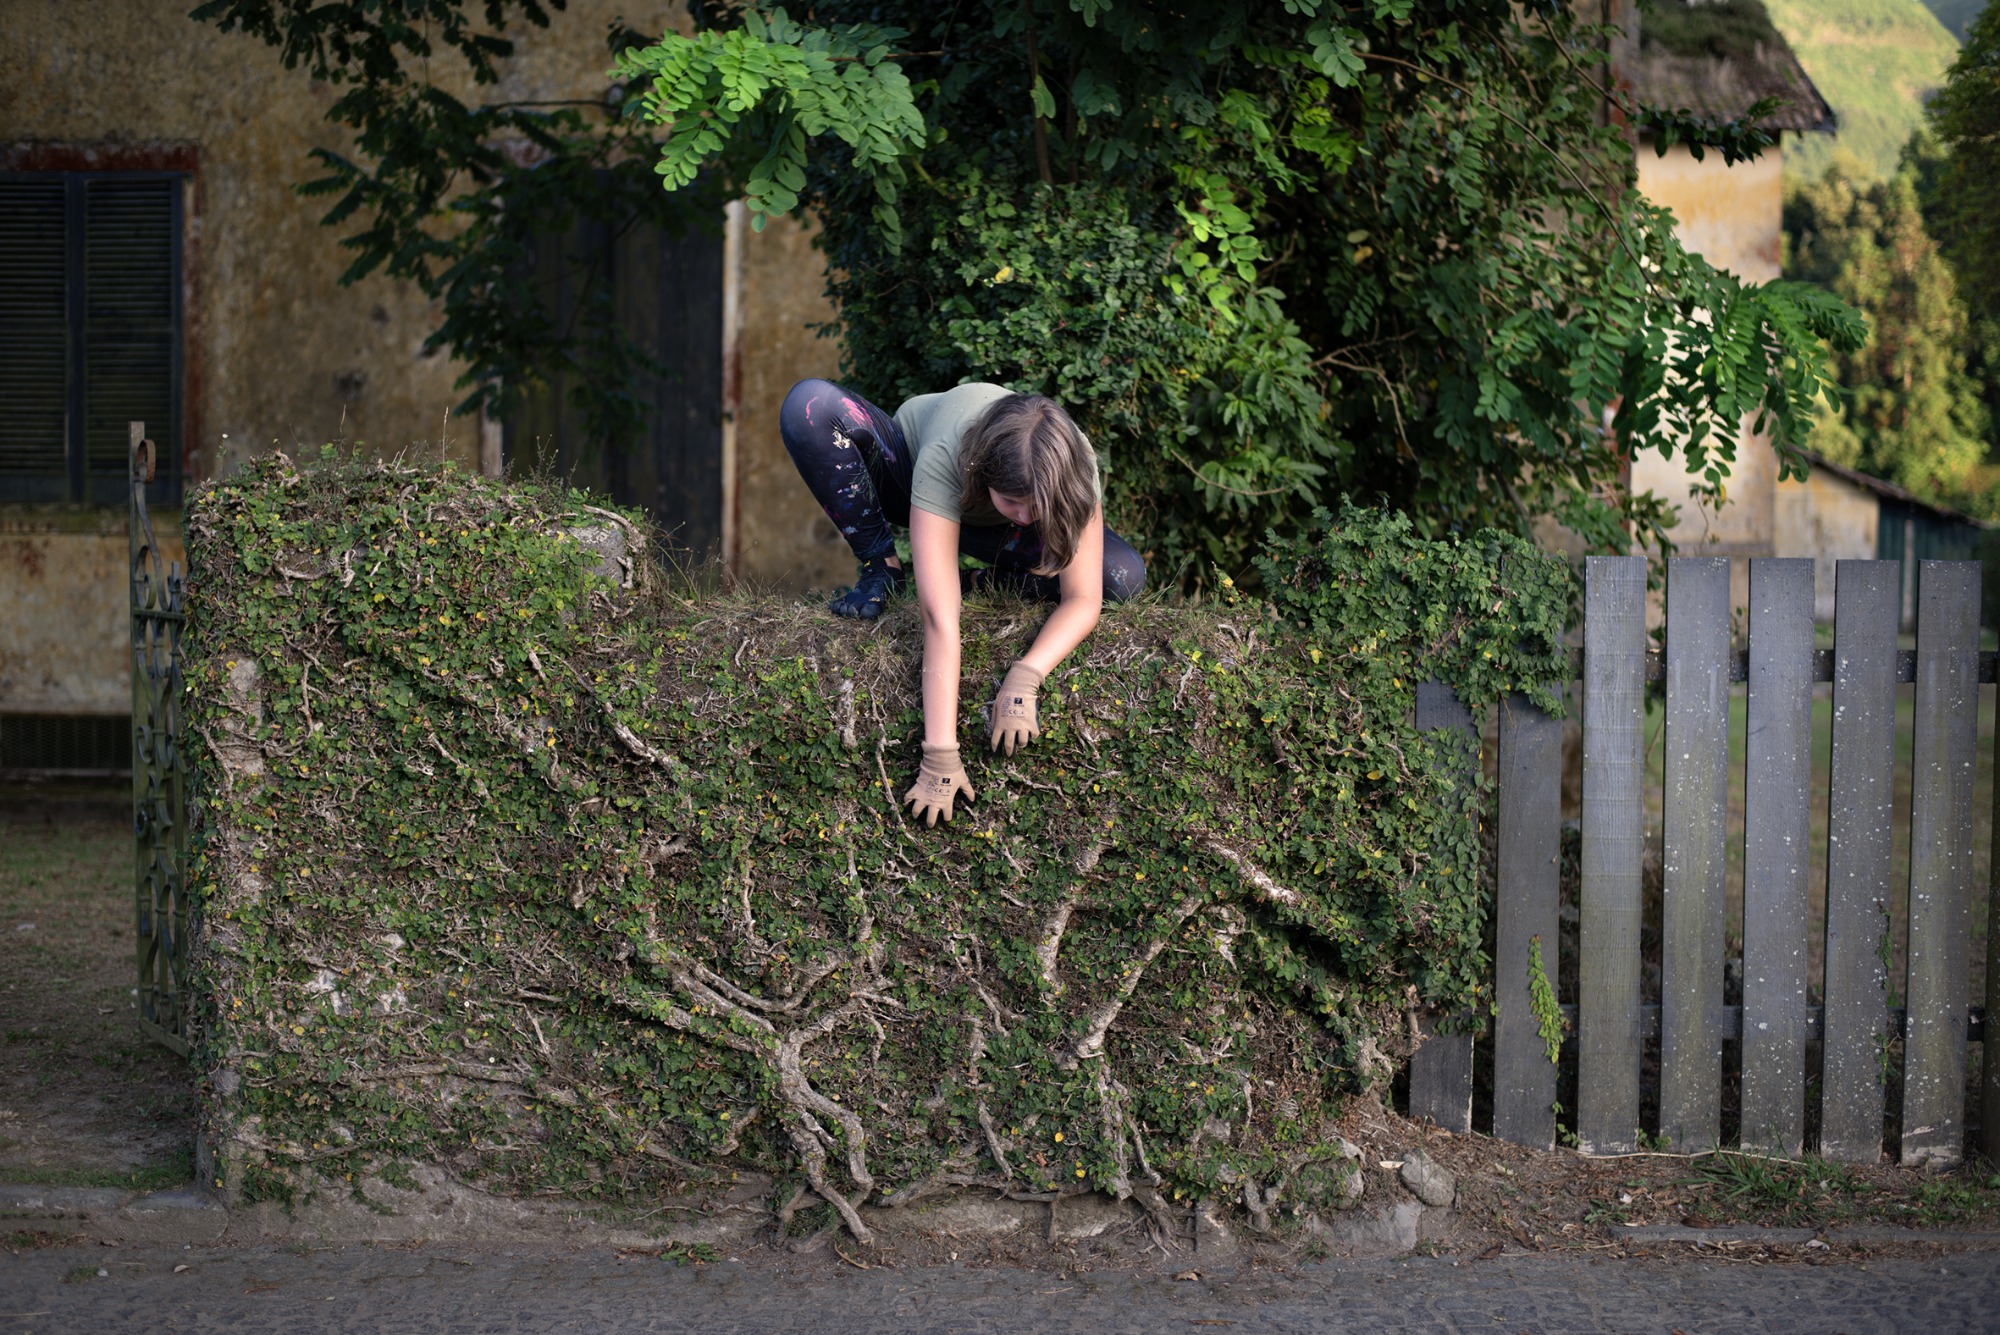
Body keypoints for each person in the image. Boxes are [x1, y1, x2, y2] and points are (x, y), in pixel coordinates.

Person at [779, 379, 1147, 827]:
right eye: (1014, 501)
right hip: (912, 482)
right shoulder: (948, 457)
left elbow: (1083, 597)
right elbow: (940, 620)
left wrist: (1026, 676)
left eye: (1037, 507)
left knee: (1121, 578)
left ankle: (983, 581)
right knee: (809, 404)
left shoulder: (1072, 464)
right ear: (990, 477)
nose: (1028, 517)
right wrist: (939, 755)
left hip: (1002, 529)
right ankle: (883, 568)